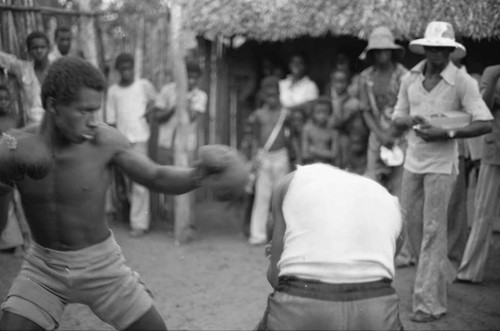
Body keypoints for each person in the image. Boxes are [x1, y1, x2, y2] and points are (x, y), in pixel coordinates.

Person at [0, 56, 246, 331]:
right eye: (84, 111)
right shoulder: (15, 148)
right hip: (44, 266)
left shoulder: (105, 141)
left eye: (97, 110)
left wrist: (198, 175)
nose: (94, 121)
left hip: (102, 266)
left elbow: (156, 175)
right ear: (53, 105)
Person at [392, 21, 493, 322]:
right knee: (409, 229)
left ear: (451, 50)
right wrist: (412, 121)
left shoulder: (463, 82)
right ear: (424, 47)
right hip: (413, 160)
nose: (436, 53)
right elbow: (397, 115)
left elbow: (484, 122)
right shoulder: (411, 78)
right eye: (432, 47)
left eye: (443, 48)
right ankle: (440, 276)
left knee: (434, 231)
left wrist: (446, 133)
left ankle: (428, 304)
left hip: (441, 164)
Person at [255, 163, 404, 330]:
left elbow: (274, 275)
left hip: (302, 303)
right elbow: (384, 270)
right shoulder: (390, 201)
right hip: (376, 308)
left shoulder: (289, 183)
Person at [149, 60, 207, 237]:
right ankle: (170, 222)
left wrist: (184, 101)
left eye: (195, 78)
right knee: (168, 183)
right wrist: (174, 106)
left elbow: (191, 117)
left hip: (186, 147)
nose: (192, 81)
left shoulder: (200, 96)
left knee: (186, 184)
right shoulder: (168, 90)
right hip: (166, 144)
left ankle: (186, 223)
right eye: (189, 77)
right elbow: (157, 117)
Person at [106, 53, 157, 237]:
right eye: (123, 68)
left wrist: (148, 114)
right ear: (118, 70)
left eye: (129, 68)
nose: (126, 72)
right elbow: (111, 120)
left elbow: (156, 102)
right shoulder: (113, 91)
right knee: (127, 183)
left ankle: (140, 224)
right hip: (122, 143)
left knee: (140, 183)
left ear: (133, 68)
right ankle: (131, 217)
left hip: (140, 140)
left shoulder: (143, 85)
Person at [457, 64, 500, 283]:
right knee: (483, 212)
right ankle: (470, 271)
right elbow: (484, 108)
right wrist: (492, 78)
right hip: (495, 151)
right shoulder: (492, 72)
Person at [358, 26, 408, 197]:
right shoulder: (366, 77)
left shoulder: (404, 76)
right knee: (374, 186)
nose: (381, 55)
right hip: (377, 136)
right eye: (377, 51)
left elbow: (409, 109)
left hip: (402, 137)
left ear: (391, 51)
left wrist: (392, 134)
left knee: (400, 187)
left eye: (385, 50)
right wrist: (381, 135)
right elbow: (365, 111)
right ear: (372, 54)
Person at [245, 76, 291, 245]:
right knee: (261, 198)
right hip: (264, 158)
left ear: (279, 94)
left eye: (274, 95)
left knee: (281, 199)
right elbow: (256, 138)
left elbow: (290, 138)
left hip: (281, 157)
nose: (271, 98)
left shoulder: (286, 114)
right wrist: (254, 158)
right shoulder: (258, 115)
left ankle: (282, 238)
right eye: (268, 95)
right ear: (263, 95)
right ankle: (258, 235)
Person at [0, 31, 49, 124]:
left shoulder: (56, 70)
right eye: (35, 48)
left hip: (52, 126)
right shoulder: (23, 69)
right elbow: (5, 60)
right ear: (29, 51)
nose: (39, 50)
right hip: (32, 125)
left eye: (43, 47)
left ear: (48, 48)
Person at [328, 69, 365, 168]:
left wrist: (339, 103)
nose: (339, 85)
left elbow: (340, 121)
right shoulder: (331, 100)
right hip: (335, 139)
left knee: (346, 163)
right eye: (336, 82)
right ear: (332, 83)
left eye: (342, 82)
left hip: (350, 138)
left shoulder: (353, 102)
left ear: (348, 83)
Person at [301, 96, 338, 165]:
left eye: (325, 112)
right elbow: (305, 155)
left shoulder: (333, 131)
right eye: (318, 112)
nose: (322, 115)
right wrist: (326, 154)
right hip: (312, 166)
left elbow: (334, 155)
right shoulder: (307, 129)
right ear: (313, 113)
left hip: (328, 167)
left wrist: (314, 150)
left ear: (330, 113)